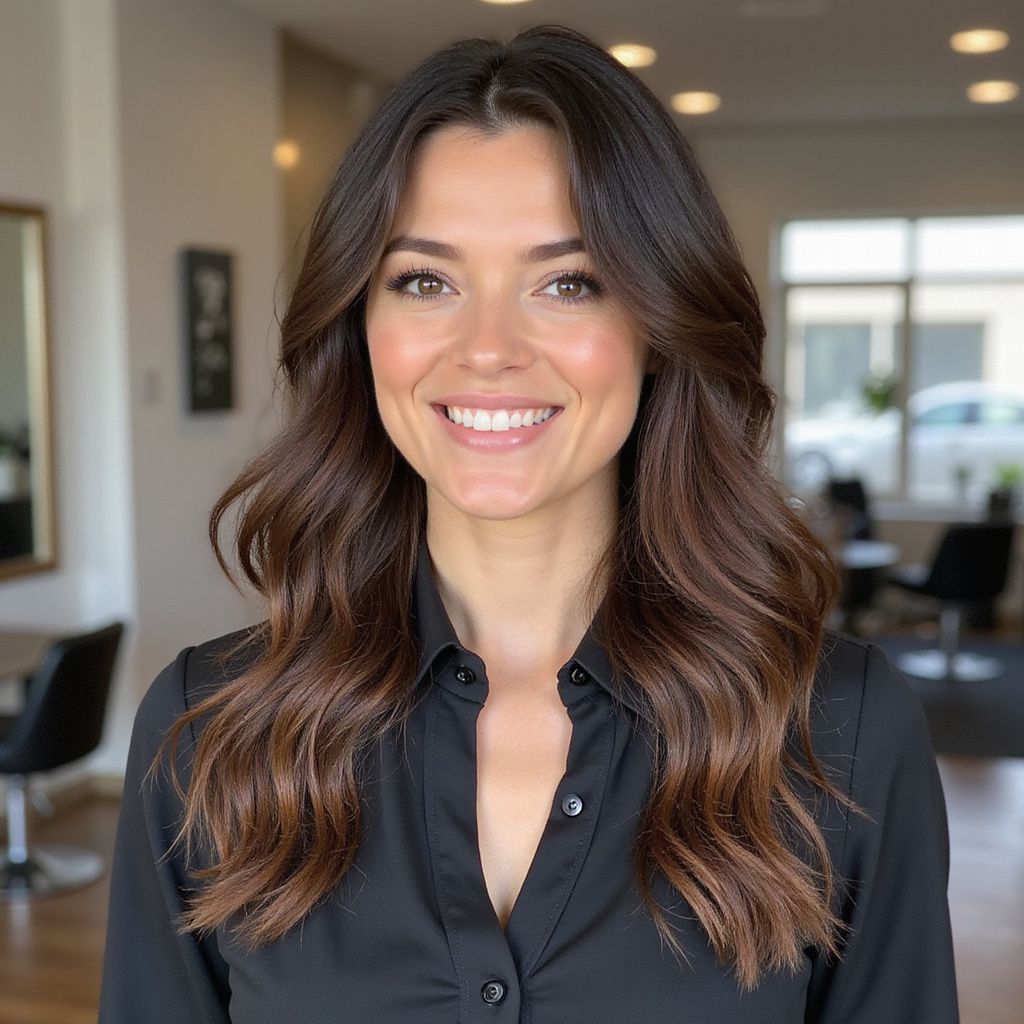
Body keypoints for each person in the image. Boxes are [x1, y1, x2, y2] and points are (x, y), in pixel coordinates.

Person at [98, 22, 958, 1023]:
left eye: (566, 281)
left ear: (656, 325)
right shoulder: (209, 730)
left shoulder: (838, 734)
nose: (488, 348)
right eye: (426, 280)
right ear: (359, 326)